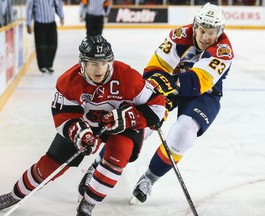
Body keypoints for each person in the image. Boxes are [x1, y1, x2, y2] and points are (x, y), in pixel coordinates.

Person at [0, 35, 165, 216]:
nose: (100, 68)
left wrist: (131, 118)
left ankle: (88, 203)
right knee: (51, 165)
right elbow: (63, 115)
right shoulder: (68, 81)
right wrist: (77, 132)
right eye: (93, 63)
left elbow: (158, 106)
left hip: (122, 125)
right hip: (87, 123)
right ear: (82, 63)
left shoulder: (127, 76)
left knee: (118, 154)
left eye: (104, 62)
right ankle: (15, 195)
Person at [77, 2, 234, 205]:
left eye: (211, 33)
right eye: (202, 30)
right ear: (195, 26)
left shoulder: (223, 50)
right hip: (170, 87)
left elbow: (197, 83)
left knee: (184, 134)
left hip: (204, 94)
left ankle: (149, 179)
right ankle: (97, 166)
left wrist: (168, 81)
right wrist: (155, 86)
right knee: (140, 125)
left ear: (220, 31)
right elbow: (154, 69)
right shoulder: (179, 36)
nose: (206, 37)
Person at [26, 0, 64, 73]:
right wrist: (28, 23)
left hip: (51, 23)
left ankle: (49, 65)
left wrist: (61, 16)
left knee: (53, 45)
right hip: (39, 23)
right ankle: (42, 66)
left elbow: (57, 5)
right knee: (41, 46)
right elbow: (29, 8)